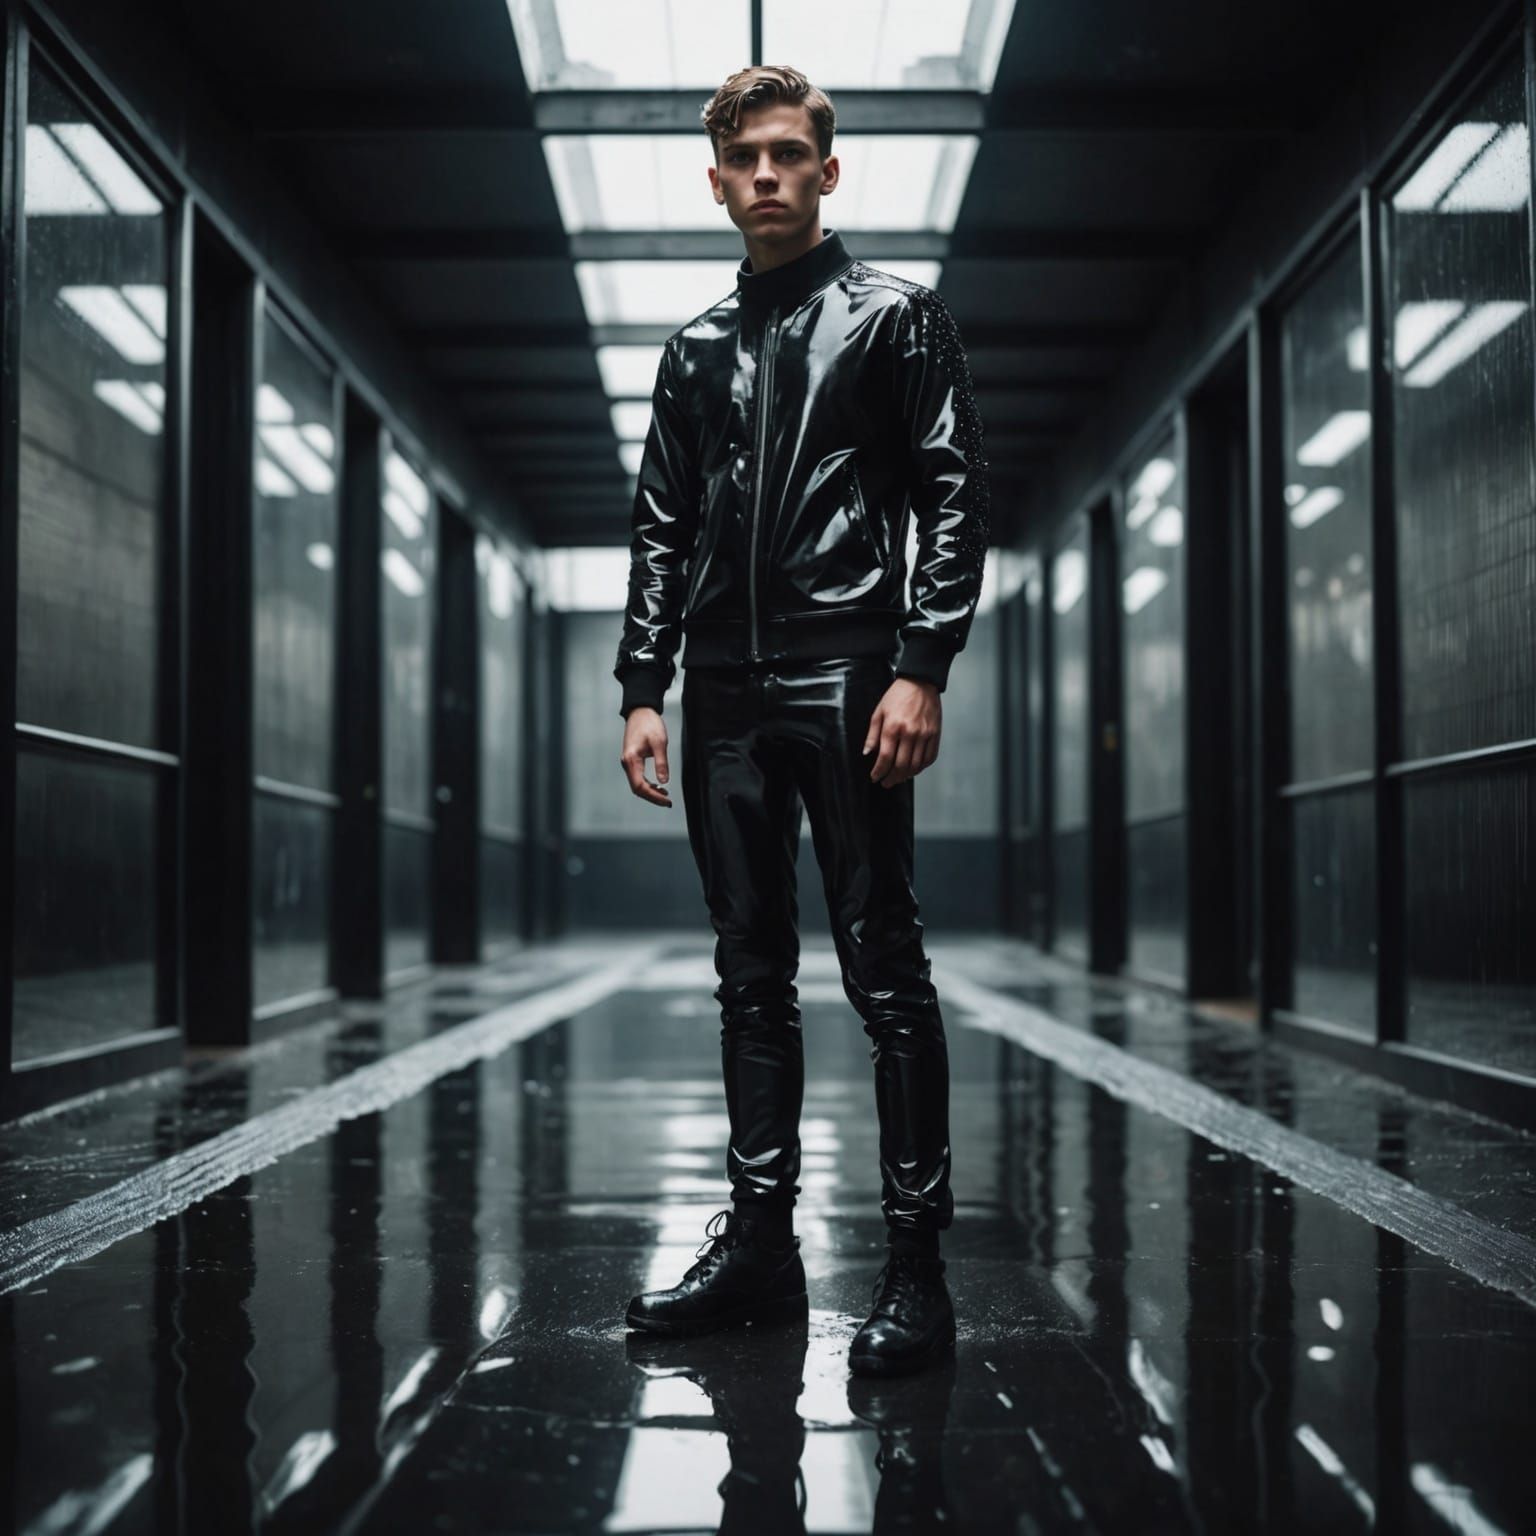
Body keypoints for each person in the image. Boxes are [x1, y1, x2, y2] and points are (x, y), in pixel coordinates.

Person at [613, 63, 989, 1377]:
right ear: (715, 182)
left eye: (788, 154)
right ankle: (762, 1250)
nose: (766, 175)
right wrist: (640, 690)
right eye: (744, 160)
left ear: (829, 170)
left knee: (884, 967)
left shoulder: (897, 319)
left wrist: (921, 663)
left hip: (848, 673)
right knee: (747, 970)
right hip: (719, 687)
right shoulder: (693, 352)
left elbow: (949, 493)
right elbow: (659, 528)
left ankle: (916, 1271)